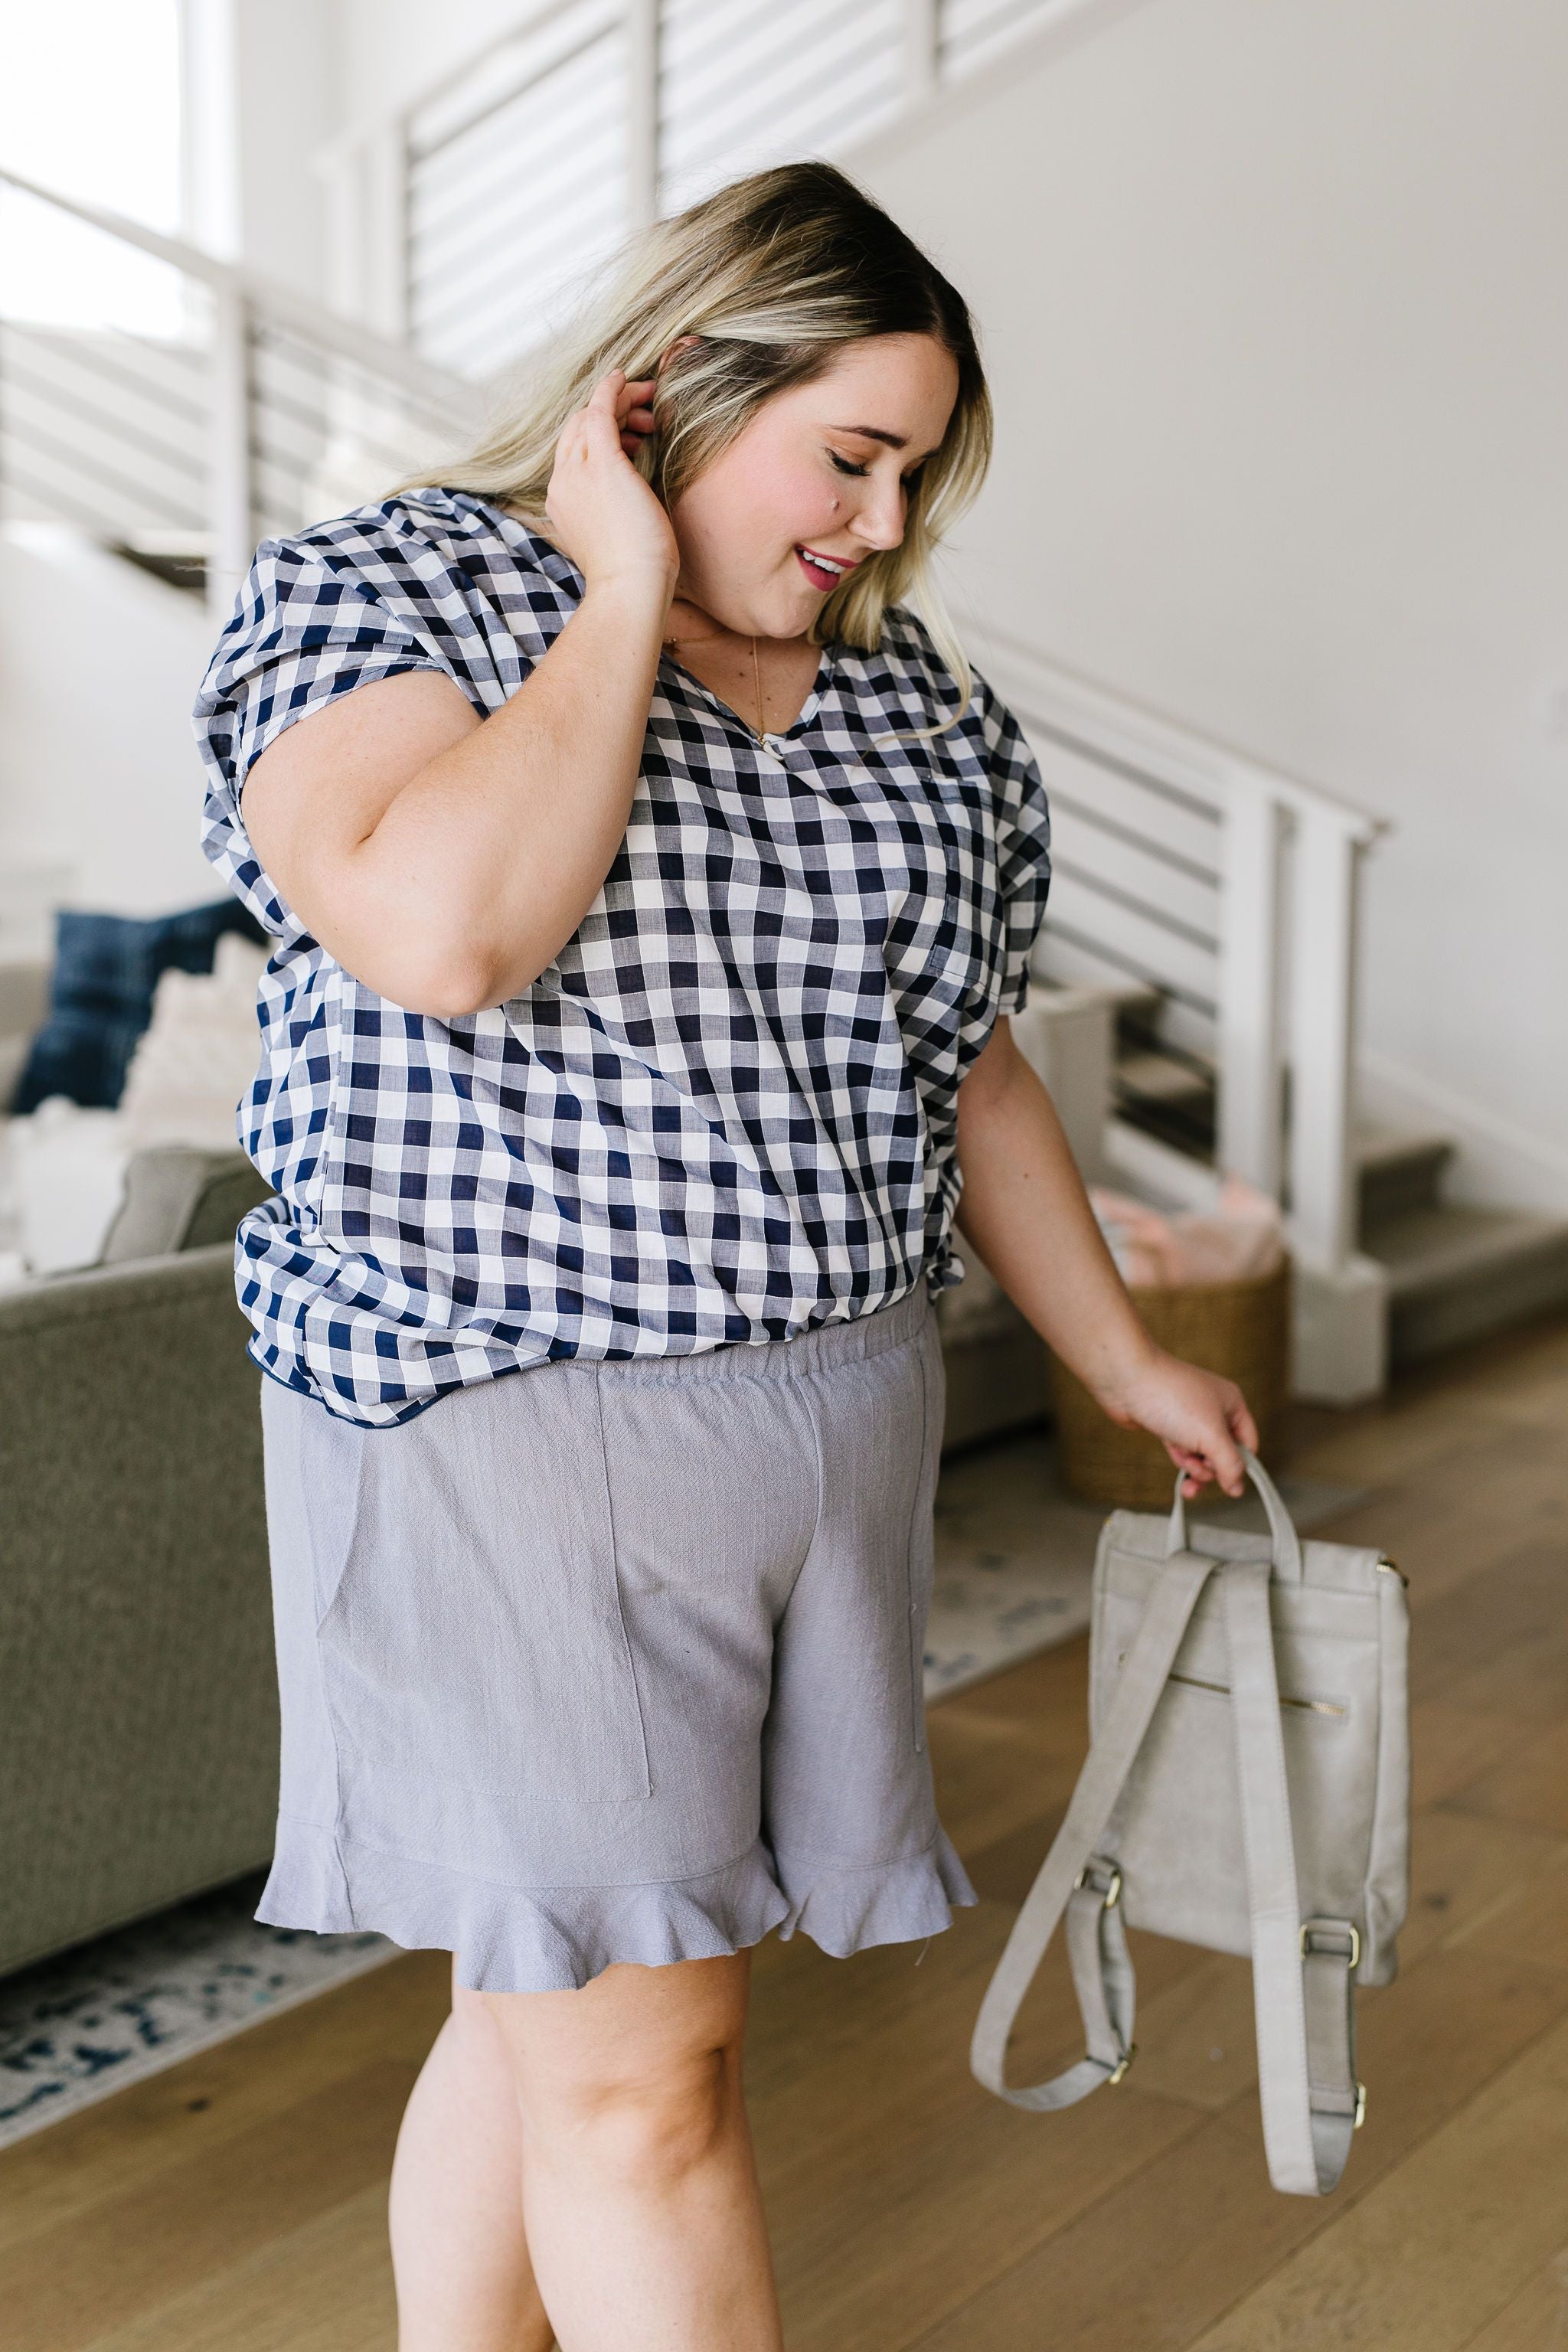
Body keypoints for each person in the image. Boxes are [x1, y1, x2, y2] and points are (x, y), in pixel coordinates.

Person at [193, 161, 1256, 2352]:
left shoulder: (918, 710)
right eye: (848, 456)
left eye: (914, 474)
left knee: (559, 2010)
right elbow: (448, 930)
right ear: (666, 392)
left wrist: (1122, 1353)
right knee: (647, 2080)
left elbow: (965, 1072)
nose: (878, 523)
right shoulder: (383, 601)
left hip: (827, 1421)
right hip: (509, 1424)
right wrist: (609, 594)